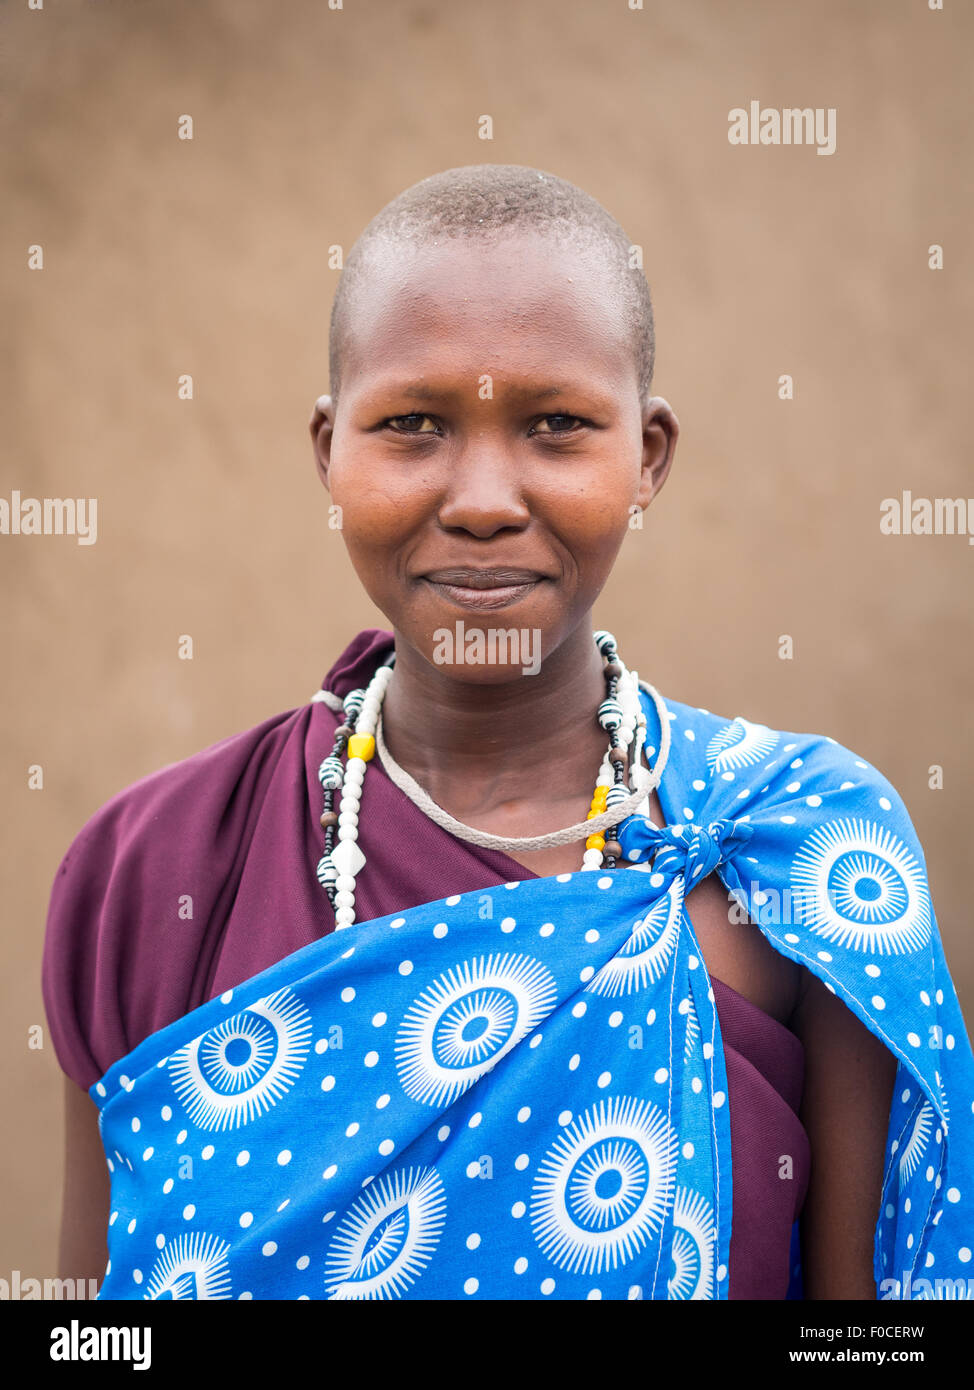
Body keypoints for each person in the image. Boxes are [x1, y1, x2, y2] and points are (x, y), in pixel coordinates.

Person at [44, 165, 973, 1301]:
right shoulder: (158, 866)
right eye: (413, 425)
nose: (482, 496)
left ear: (647, 458)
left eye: (555, 426)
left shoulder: (795, 849)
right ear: (328, 453)